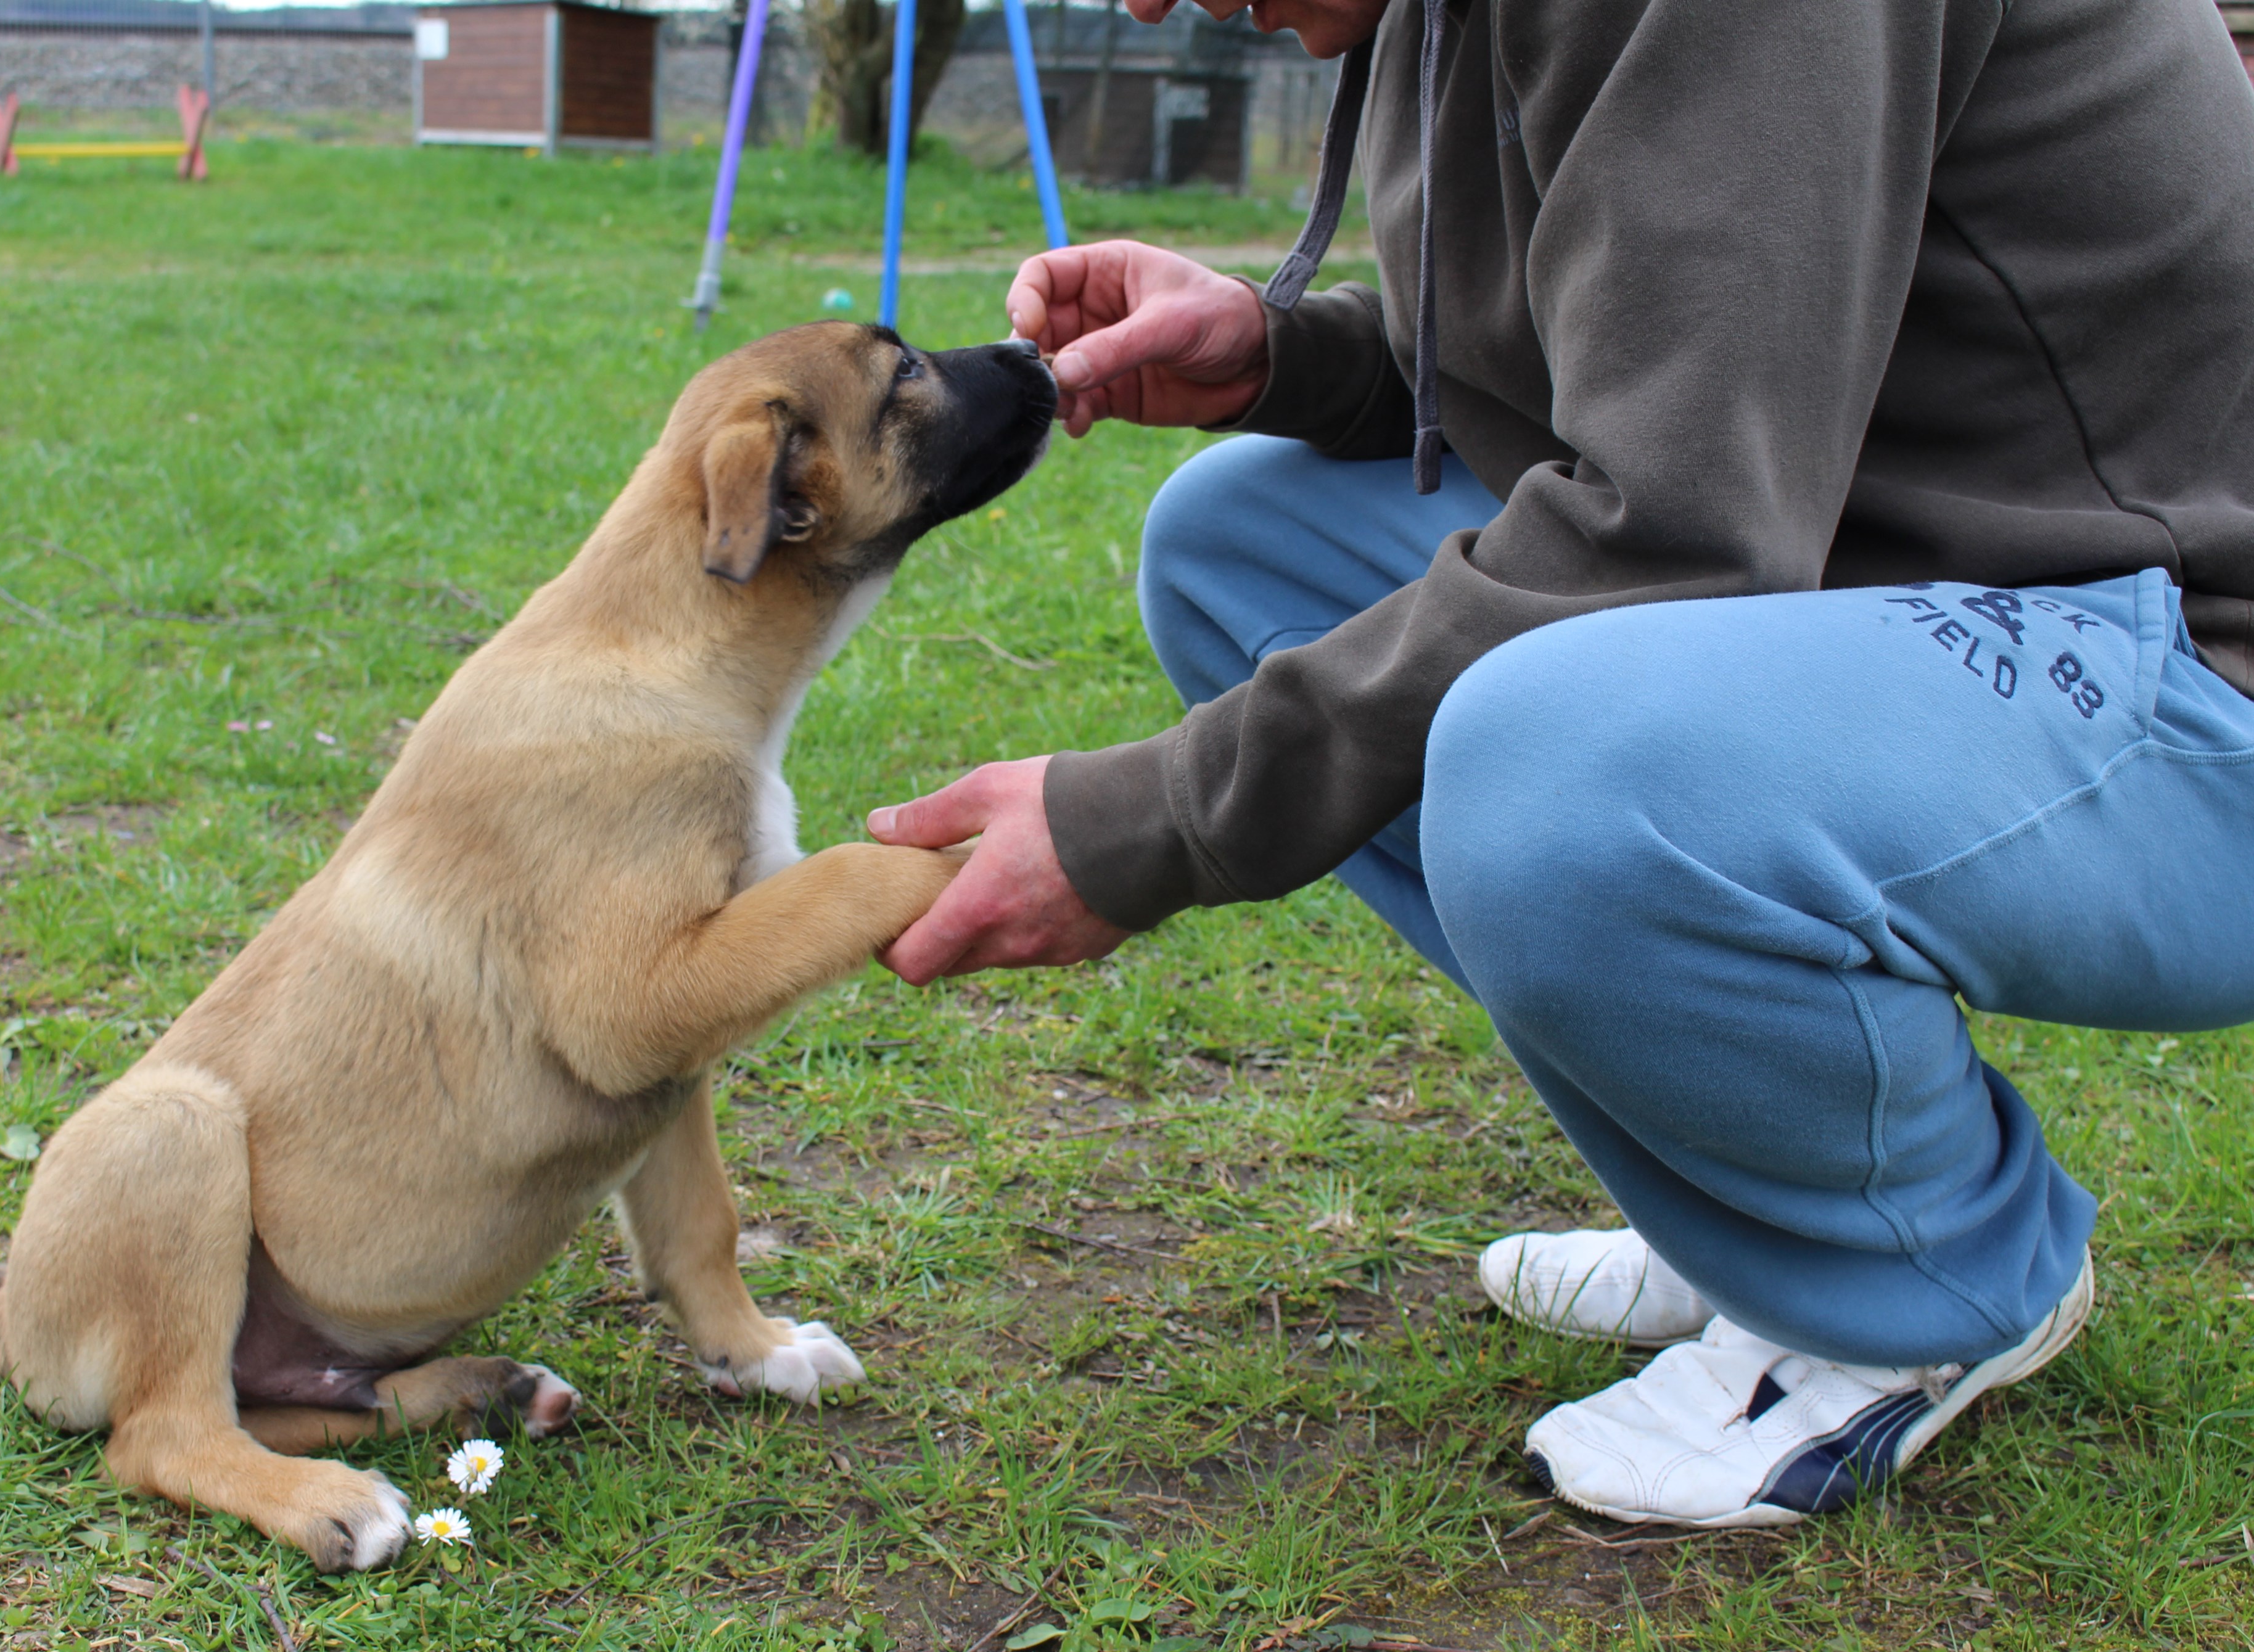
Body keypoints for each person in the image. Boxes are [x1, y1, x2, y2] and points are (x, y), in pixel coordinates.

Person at [863, 0, 2254, 1529]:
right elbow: (1633, 350)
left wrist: (1149, 820)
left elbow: (1674, 537)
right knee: (1238, 546)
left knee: (1556, 754)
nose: (1138, 4)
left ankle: (1913, 1284)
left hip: (2185, 675)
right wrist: (1284, 358)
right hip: (1895, 574)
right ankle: (1754, 1199)